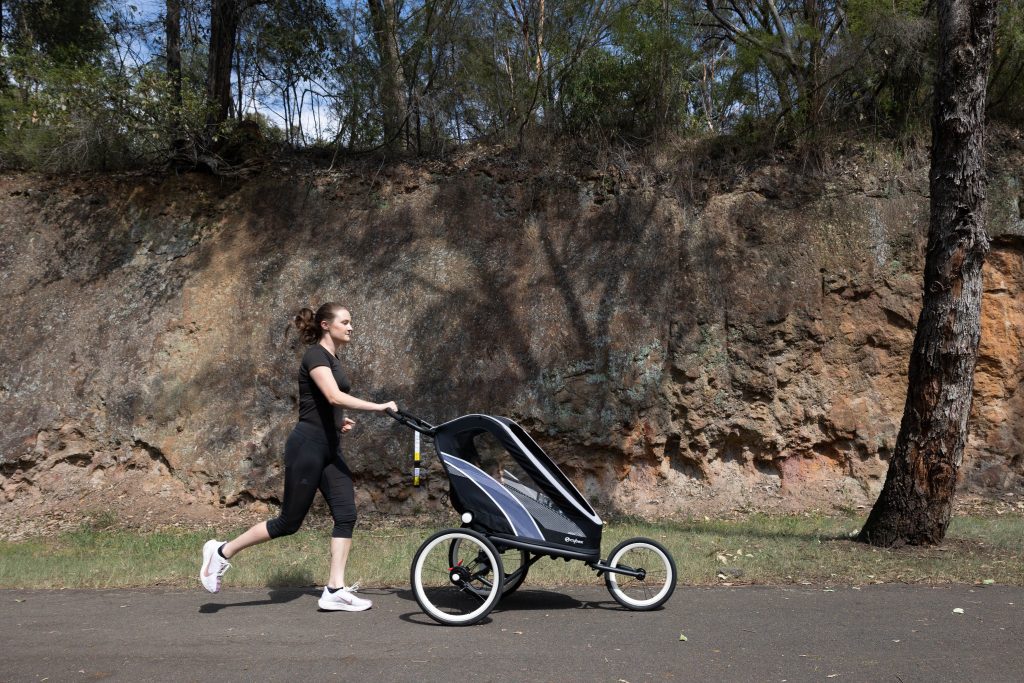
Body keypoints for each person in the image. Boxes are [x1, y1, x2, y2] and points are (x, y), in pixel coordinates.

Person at [199, 302, 397, 612]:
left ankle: (334, 589)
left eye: (351, 322)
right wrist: (378, 406)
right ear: (325, 325)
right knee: (288, 523)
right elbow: (333, 395)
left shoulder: (333, 359)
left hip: (329, 448)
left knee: (346, 515)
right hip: (307, 448)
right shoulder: (315, 356)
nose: (350, 327)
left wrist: (336, 421)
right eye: (345, 321)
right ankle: (221, 552)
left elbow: (323, 402)